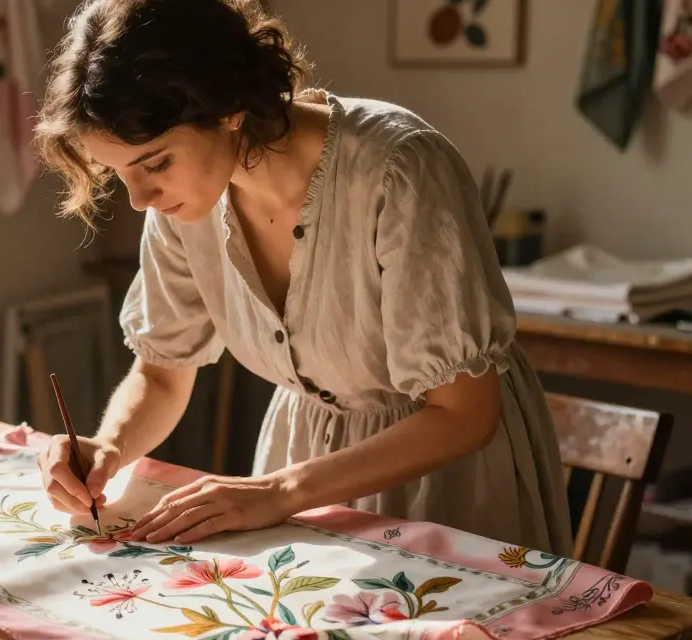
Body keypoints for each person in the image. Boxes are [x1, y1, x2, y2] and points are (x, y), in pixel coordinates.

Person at [31, 0, 572, 554]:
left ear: (228, 107)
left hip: (445, 476)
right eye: (118, 174)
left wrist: (279, 490)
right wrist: (109, 447)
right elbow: (164, 376)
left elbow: (463, 415)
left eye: (155, 163)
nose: (140, 199)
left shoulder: (399, 169)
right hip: (302, 476)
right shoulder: (187, 203)